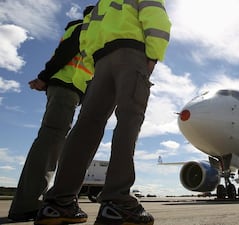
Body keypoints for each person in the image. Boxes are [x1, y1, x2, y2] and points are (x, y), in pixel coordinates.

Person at [35, 1, 171, 225]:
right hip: (132, 52)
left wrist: (93, 63)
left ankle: (59, 202)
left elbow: (85, 38)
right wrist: (153, 54)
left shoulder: (101, 4)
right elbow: (156, 17)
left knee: (87, 126)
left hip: (101, 61)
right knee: (129, 119)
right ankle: (117, 201)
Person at [7, 6, 94, 222]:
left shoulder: (84, 29)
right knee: (50, 141)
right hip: (66, 86)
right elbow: (66, 54)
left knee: (53, 142)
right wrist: (44, 77)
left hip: (69, 90)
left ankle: (32, 201)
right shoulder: (85, 28)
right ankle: (27, 205)